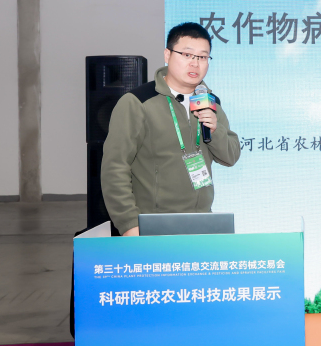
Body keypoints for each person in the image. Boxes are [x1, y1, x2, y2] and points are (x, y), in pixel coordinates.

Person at [102, 22, 240, 236]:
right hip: (153, 225)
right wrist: (129, 224)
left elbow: (230, 156)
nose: (195, 63)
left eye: (202, 57)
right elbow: (115, 167)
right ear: (167, 55)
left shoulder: (210, 102)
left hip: (203, 223)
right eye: (187, 55)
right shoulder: (138, 102)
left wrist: (215, 131)